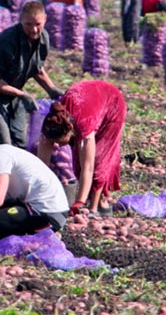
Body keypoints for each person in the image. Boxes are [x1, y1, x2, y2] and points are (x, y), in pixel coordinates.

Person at [0, 0, 63, 149]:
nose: (33, 30)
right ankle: (2, 168)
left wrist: (51, 89)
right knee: (4, 140)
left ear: (45, 19)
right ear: (21, 21)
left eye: (38, 24)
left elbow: (36, 67)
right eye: (28, 24)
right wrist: (22, 95)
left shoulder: (43, 38)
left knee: (20, 141)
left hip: (13, 87)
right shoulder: (6, 43)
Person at [38, 81, 126, 217]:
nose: (59, 146)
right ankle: (103, 203)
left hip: (112, 103)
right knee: (77, 164)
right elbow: (41, 166)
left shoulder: (84, 126)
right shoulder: (50, 126)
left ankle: (94, 208)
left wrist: (79, 202)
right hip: (87, 99)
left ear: (69, 132)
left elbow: (88, 167)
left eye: (60, 142)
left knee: (100, 160)